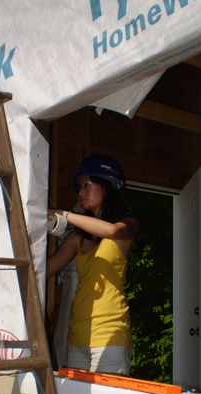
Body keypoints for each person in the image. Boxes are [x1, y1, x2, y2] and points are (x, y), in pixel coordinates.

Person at [47, 154, 140, 375]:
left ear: (107, 186)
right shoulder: (76, 238)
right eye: (78, 187)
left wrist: (65, 215)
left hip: (110, 335)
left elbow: (111, 231)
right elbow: (45, 270)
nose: (80, 192)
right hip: (77, 334)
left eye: (87, 185)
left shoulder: (128, 225)